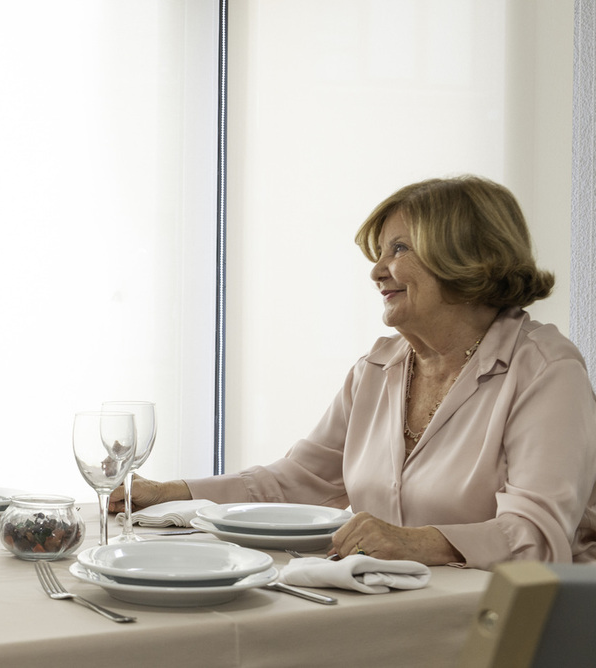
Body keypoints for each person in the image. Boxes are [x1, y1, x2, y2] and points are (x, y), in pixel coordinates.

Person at [111, 175, 596, 569]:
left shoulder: (545, 370)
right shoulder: (377, 368)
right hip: (388, 608)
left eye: (399, 249)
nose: (377, 271)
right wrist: (173, 492)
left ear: (463, 255)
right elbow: (298, 479)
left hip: (510, 629)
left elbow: (537, 537)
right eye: (380, 253)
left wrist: (420, 543)